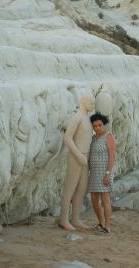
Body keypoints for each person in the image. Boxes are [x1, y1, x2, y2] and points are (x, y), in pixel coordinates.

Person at [59, 95, 95, 231]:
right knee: (70, 188)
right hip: (76, 156)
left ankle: (75, 218)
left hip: (84, 156)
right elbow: (67, 138)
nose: (93, 103)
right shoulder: (78, 117)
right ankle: (63, 219)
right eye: (90, 101)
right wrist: (79, 155)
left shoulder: (86, 118)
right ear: (83, 102)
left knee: (81, 188)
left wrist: (86, 156)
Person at [88, 112, 115, 234]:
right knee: (94, 200)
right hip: (94, 173)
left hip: (105, 172)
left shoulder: (108, 136)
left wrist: (108, 173)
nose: (98, 127)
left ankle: (107, 227)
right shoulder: (93, 138)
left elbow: (112, 156)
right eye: (95, 126)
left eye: (100, 125)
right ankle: (101, 222)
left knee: (105, 199)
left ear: (103, 124)